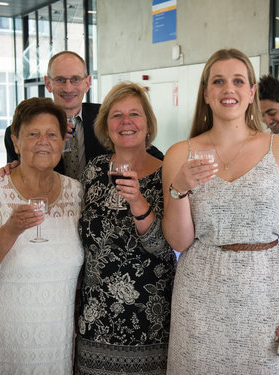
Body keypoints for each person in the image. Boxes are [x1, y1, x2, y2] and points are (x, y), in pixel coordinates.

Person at [162, 48, 279, 374]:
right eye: (218, 81)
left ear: (251, 92)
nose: (228, 89)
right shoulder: (179, 155)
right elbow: (179, 241)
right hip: (199, 298)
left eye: (238, 81)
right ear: (206, 93)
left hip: (265, 296)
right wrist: (179, 187)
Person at [0, 97, 83, 373]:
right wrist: (11, 230)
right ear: (16, 142)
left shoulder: (77, 193)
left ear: (63, 143)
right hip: (0, 342)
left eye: (52, 134)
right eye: (33, 134)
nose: (44, 141)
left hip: (56, 341)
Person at [74, 81, 176, 374]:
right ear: (106, 127)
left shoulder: (166, 170)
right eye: (116, 115)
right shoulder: (94, 169)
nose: (126, 121)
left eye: (135, 114)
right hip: (96, 321)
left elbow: (167, 246)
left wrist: (138, 202)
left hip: (150, 322)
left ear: (148, 124)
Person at [2, 51, 163, 180]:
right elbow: (19, 172)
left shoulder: (108, 119)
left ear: (87, 83)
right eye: (60, 80)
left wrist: (172, 165)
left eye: (75, 79)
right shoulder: (20, 132)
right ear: (48, 83)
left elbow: (144, 150)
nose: (68, 88)